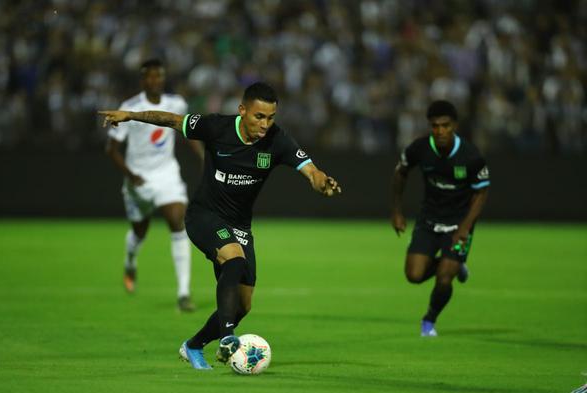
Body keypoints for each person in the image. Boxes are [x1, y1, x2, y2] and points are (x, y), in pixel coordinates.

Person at [100, 82, 341, 369]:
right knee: (234, 259)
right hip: (204, 215)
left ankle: (193, 346)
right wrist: (130, 114)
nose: (265, 124)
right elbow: (172, 120)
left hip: (240, 225)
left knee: (242, 306)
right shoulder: (217, 128)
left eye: (271, 117)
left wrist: (321, 182)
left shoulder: (278, 141)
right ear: (242, 111)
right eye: (259, 117)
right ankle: (228, 339)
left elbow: (311, 170)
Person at [105, 59, 203, 312]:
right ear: (143, 80)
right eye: (150, 76)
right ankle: (130, 261)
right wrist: (130, 175)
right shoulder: (130, 107)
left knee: (178, 221)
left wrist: (203, 157)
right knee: (139, 231)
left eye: (159, 76)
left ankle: (183, 293)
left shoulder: (176, 103)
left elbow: (188, 132)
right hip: (138, 179)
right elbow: (111, 149)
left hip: (167, 174)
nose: (155, 80)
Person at [391, 100, 490, 337]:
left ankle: (429, 320)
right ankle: (456, 264)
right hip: (428, 220)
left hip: (459, 223)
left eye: (445, 125)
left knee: (445, 278)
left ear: (454, 125)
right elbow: (400, 173)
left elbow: (481, 193)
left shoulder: (470, 156)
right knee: (413, 275)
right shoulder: (420, 149)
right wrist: (396, 211)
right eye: (435, 126)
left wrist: (465, 228)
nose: (440, 131)